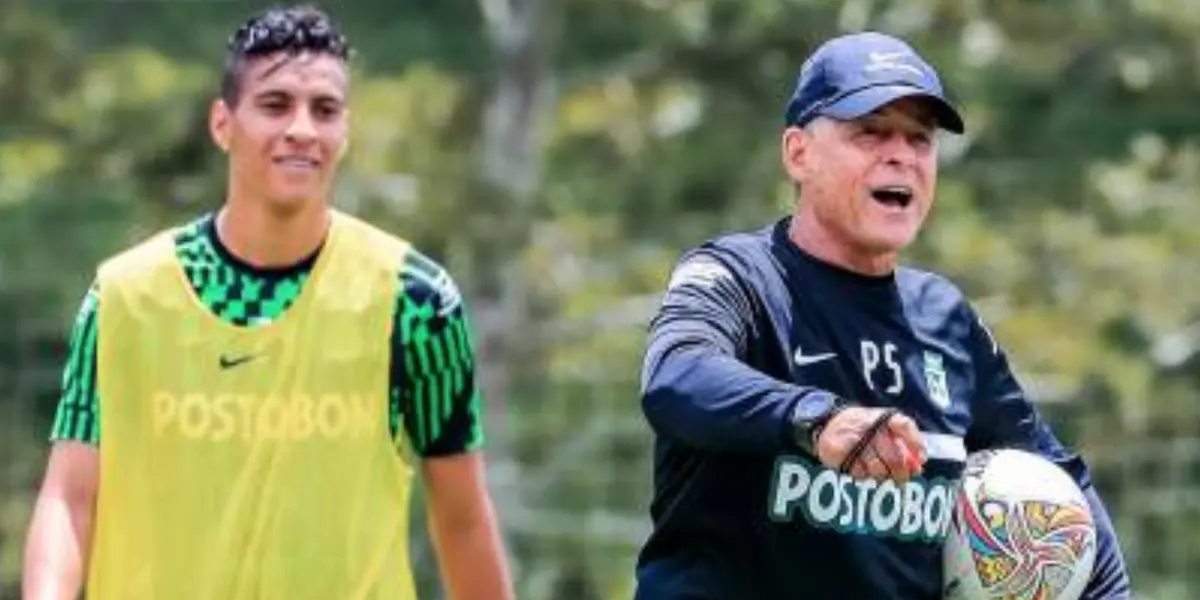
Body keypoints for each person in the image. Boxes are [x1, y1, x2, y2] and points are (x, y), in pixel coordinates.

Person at [21, 5, 514, 600]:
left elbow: (461, 519)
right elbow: (70, 501)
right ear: (223, 124)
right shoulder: (124, 298)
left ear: (345, 132)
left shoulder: (415, 302)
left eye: (324, 110)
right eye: (276, 104)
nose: (302, 128)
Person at [633, 31, 1132, 599]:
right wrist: (817, 421)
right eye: (870, 132)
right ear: (799, 153)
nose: (900, 153)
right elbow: (675, 378)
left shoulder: (946, 319)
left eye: (919, 139)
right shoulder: (742, 278)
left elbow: (1061, 488)